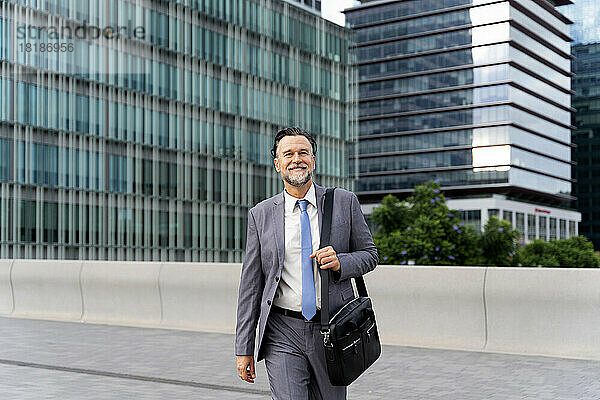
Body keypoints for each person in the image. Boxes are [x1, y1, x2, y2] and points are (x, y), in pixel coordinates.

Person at [235, 127, 378, 400]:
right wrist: (244, 347)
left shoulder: (344, 202)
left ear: (314, 160)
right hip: (281, 330)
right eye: (287, 154)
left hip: (333, 328)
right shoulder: (260, 214)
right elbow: (250, 286)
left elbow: (370, 255)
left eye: (303, 152)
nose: (296, 159)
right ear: (277, 164)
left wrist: (341, 262)